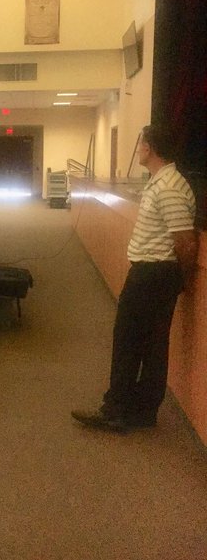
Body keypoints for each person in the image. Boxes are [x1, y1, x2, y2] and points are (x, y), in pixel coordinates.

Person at [72, 125, 198, 433]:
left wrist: (180, 276)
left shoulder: (168, 186)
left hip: (152, 274)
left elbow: (185, 241)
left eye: (141, 143)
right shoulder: (163, 181)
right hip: (156, 273)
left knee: (128, 340)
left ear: (151, 148)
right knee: (152, 344)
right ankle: (141, 411)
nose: (138, 148)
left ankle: (116, 410)